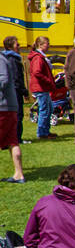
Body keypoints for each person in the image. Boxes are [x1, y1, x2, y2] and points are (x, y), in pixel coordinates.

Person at [0, 38, 24, 183]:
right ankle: (19, 174)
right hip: (8, 107)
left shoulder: (1, 59)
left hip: (3, 107)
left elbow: (3, 79)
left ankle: (19, 174)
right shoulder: (5, 58)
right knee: (12, 142)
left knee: (12, 141)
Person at [28, 37, 57, 141]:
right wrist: (48, 80)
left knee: (49, 109)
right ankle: (41, 133)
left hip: (42, 87)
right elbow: (37, 72)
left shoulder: (40, 56)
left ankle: (46, 131)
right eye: (47, 44)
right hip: (40, 87)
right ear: (41, 45)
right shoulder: (38, 58)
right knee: (44, 110)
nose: (49, 46)